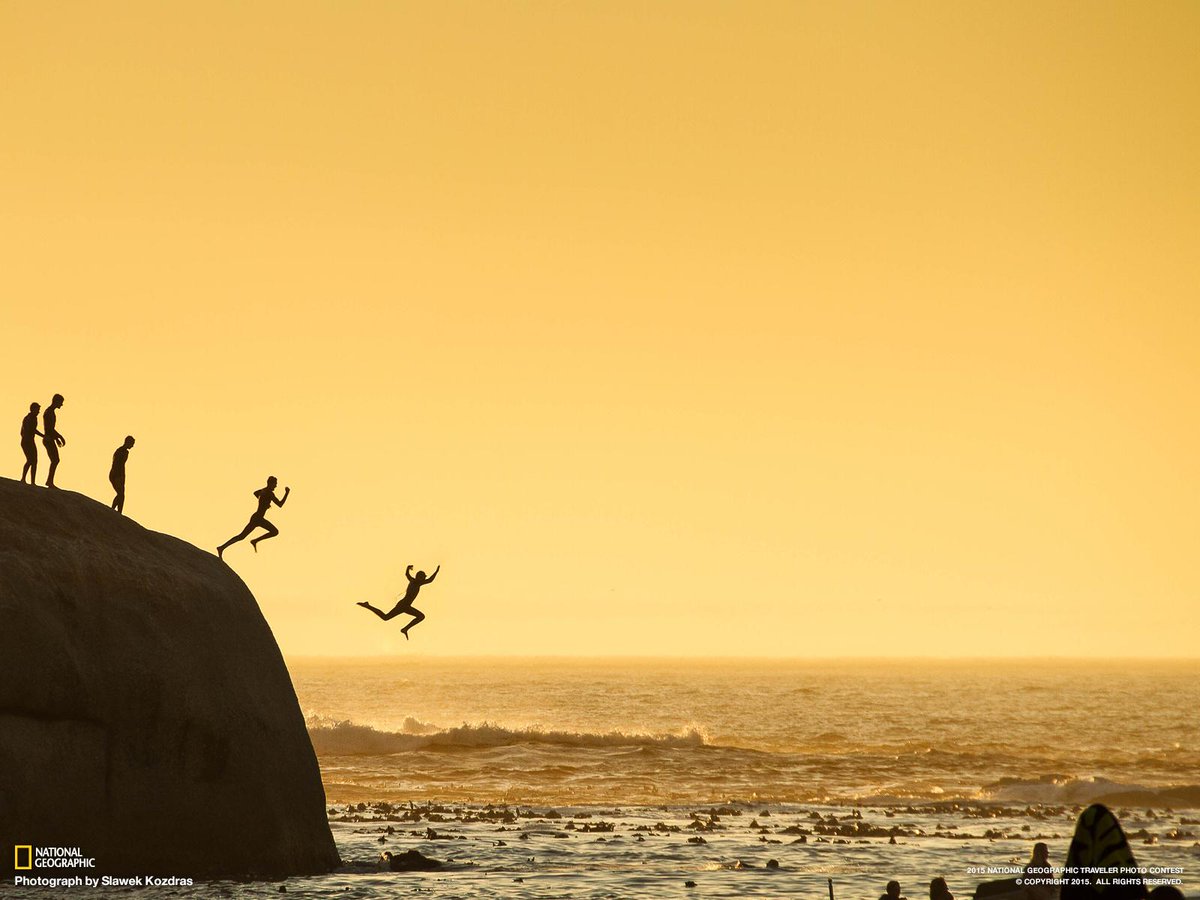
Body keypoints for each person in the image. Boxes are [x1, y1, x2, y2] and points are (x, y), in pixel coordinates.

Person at [357, 564, 441, 639]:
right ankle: (368, 606)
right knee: (386, 617)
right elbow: (430, 580)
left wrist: (407, 568)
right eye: (423, 577)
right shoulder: (416, 582)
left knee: (420, 616)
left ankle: (405, 629)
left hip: (406, 606)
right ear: (420, 577)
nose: (424, 579)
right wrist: (436, 571)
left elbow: (407, 574)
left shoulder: (413, 581)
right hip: (403, 605)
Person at [217, 476, 290, 559]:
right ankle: (222, 547)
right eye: (275, 484)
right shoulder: (269, 493)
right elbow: (280, 504)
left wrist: (263, 501)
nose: (276, 486)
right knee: (243, 536)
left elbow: (255, 493)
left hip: (258, 518)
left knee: (273, 532)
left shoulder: (263, 491)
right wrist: (287, 493)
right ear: (270, 483)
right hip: (257, 519)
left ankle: (223, 547)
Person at [42, 394, 66, 488]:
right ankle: (49, 481)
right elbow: (49, 429)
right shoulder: (49, 412)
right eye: (61, 402)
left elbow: (50, 429)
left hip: (50, 438)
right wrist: (59, 437)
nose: (61, 404)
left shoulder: (51, 412)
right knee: (55, 460)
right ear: (56, 401)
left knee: (55, 460)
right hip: (48, 439)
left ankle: (50, 481)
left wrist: (57, 438)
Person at [109, 436, 135, 514]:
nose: (132, 446)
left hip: (119, 475)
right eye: (132, 443)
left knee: (121, 494)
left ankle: (118, 512)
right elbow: (116, 464)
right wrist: (118, 476)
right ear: (127, 442)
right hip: (116, 475)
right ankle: (113, 510)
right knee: (121, 494)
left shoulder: (125, 452)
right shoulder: (120, 451)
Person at [19, 402, 43, 484]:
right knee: (30, 460)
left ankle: (32, 481)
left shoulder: (34, 418)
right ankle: (23, 479)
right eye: (37, 410)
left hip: (31, 441)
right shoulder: (28, 418)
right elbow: (30, 430)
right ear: (33, 409)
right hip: (26, 442)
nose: (38, 412)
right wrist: (43, 436)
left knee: (34, 461)